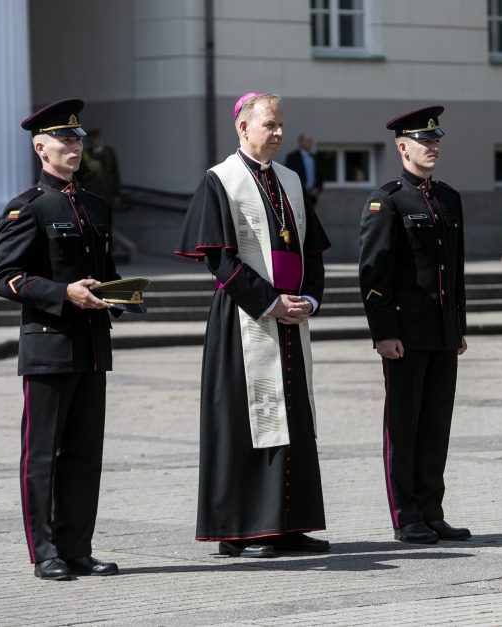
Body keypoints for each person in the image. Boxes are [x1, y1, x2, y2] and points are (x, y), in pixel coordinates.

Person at [174, 92, 332, 558]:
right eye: (270, 124)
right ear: (243, 128)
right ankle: (244, 530)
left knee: (293, 417)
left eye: (281, 124)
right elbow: (219, 261)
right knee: (247, 422)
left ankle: (288, 524)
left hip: (290, 315)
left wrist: (309, 298)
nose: (278, 132)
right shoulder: (220, 180)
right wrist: (269, 303)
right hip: (244, 317)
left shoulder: (289, 178)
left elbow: (313, 250)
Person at [0, 99, 123, 581]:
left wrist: (120, 295)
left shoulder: (94, 206)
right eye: (64, 141)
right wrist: (62, 294)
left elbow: (106, 273)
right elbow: (5, 276)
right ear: (40, 148)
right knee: (43, 454)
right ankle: (45, 551)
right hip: (48, 346)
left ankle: (77, 547)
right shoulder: (26, 207)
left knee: (86, 455)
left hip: (91, 348)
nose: (74, 147)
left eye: (78, 139)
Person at [358, 106, 470, 545]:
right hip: (405, 335)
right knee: (403, 428)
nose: (433, 147)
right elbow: (373, 272)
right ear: (403, 147)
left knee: (435, 426)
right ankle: (406, 515)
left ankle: (432, 510)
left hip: (441, 333)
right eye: (424, 142)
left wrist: (458, 325)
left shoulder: (449, 198)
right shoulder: (386, 200)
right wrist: (383, 333)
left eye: (436, 140)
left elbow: (454, 270)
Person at [78, 128, 122, 210]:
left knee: (109, 217)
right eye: (91, 140)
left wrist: (117, 194)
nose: (94, 141)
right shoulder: (85, 155)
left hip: (108, 192)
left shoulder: (109, 152)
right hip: (92, 193)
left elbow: (115, 173)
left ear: (100, 139)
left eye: (96, 139)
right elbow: (80, 174)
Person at [285, 133, 323, 208]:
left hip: (312, 196)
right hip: (298, 194)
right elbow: (289, 175)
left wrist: (318, 188)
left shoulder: (314, 157)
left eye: (310, 141)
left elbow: (320, 174)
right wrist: (303, 188)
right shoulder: (292, 157)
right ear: (300, 142)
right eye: (307, 141)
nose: (310, 143)